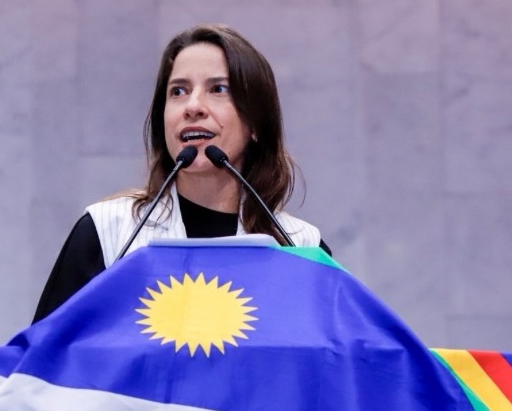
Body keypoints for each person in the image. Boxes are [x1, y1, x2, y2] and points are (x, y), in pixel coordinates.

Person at [33, 24, 331, 322]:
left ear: (255, 123)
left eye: (218, 89)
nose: (193, 106)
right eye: (178, 91)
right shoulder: (109, 232)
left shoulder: (301, 246)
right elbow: (45, 347)